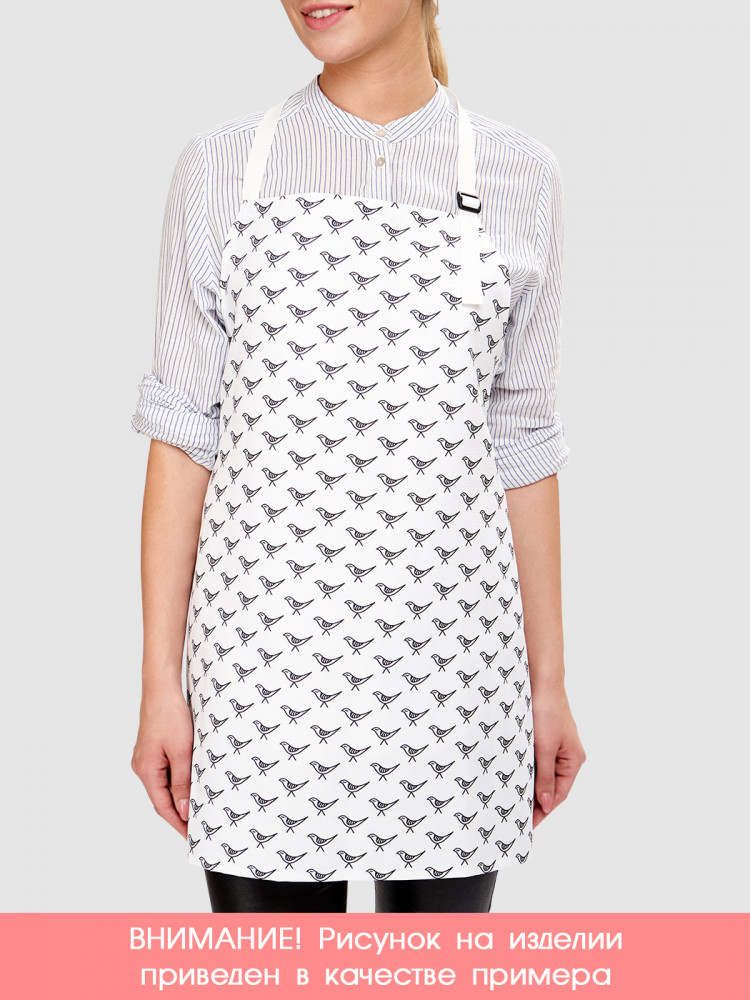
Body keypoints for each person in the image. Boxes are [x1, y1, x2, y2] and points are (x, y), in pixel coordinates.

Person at [130, 0, 586, 914]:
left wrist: (548, 686)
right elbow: (183, 437)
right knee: (275, 975)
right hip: (263, 677)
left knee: (435, 977)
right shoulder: (223, 167)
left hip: (453, 674)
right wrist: (158, 687)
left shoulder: (521, 176)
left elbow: (523, 443)